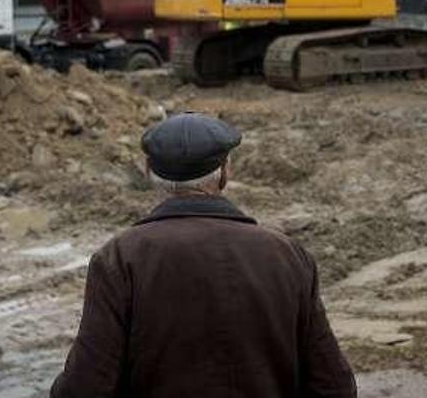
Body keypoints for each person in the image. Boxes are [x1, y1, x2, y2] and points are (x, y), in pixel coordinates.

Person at [51, 112, 356, 397]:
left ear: (147, 170)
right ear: (225, 172)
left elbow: (85, 387)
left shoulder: (118, 259)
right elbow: (334, 385)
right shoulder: (287, 256)